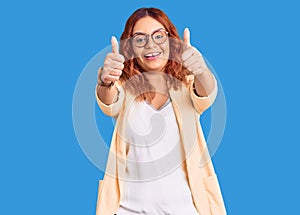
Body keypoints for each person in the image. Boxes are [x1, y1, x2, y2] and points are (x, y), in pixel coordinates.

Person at [95, 7, 226, 215]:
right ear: (129, 47)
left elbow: (207, 93)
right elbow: (109, 102)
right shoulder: (124, 86)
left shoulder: (187, 84)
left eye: (159, 36)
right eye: (139, 39)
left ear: (171, 41)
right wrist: (105, 81)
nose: (150, 45)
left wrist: (201, 69)